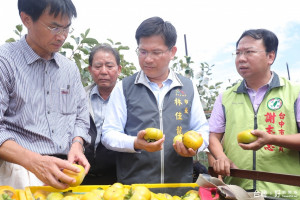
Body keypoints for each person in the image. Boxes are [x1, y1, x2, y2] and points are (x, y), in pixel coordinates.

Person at [101, 16, 209, 184]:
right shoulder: (124, 87)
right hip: (135, 187)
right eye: (142, 51)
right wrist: (135, 143)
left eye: (156, 52)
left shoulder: (187, 87)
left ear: (172, 52)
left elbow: (201, 129)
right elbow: (109, 134)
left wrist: (195, 147)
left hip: (179, 186)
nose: (147, 59)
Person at [0, 0, 90, 189]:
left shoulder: (69, 69)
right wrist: (35, 162)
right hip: (18, 171)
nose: (63, 36)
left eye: (67, 28)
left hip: (65, 171)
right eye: (54, 27)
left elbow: (81, 117)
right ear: (26, 19)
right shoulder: (5, 62)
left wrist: (77, 145)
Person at [208, 29, 300, 199]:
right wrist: (221, 157)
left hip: (285, 191)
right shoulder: (226, 97)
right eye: (238, 53)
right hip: (237, 191)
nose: (241, 58)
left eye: (249, 52)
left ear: (270, 57)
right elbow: (213, 136)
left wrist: (272, 139)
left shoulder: (295, 92)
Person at [82, 44, 121, 185]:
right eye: (98, 67)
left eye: (109, 66)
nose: (103, 71)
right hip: (83, 174)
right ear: (90, 70)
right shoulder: (80, 97)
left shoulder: (128, 98)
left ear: (119, 69)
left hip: (118, 177)